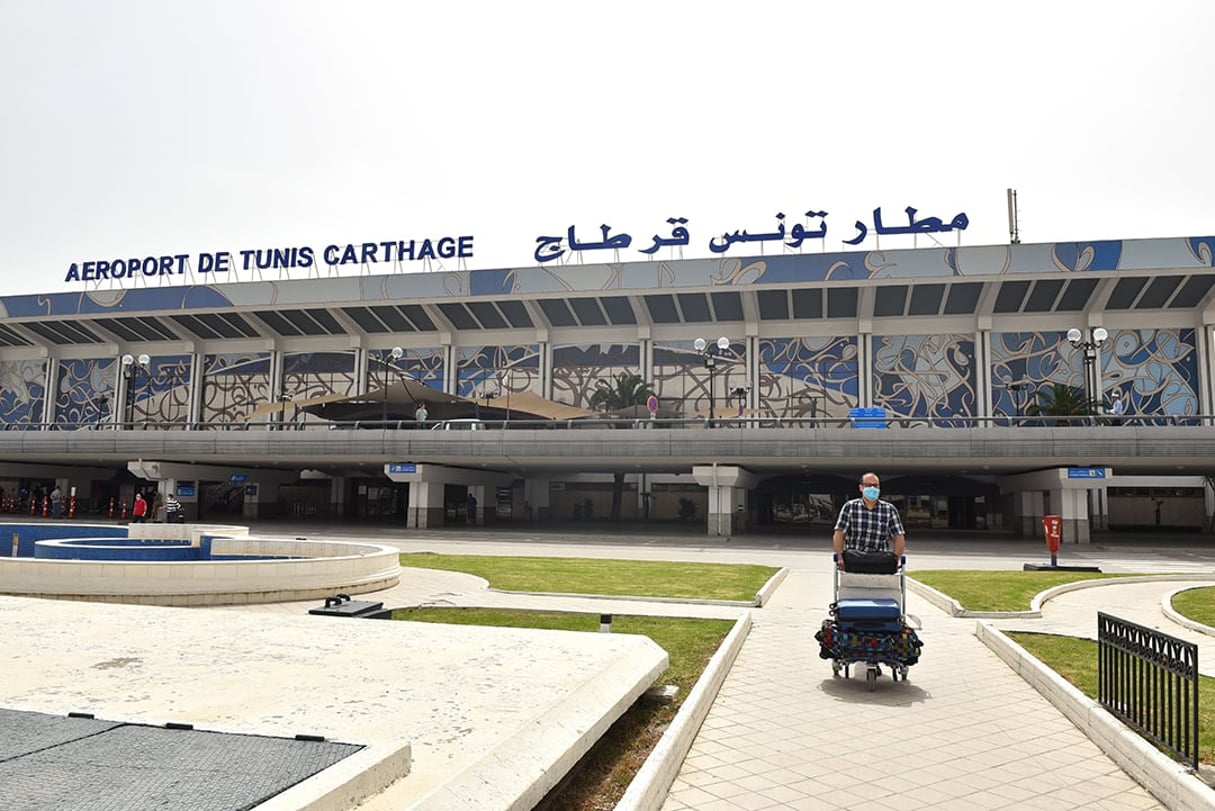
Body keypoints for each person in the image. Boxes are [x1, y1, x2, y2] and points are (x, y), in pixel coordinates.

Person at [832, 472, 905, 571]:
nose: (872, 489)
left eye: (875, 485)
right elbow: (839, 534)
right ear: (861, 487)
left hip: (880, 562)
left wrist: (896, 560)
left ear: (879, 488)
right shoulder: (850, 507)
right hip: (854, 560)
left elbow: (899, 537)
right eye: (868, 485)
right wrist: (840, 557)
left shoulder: (889, 509)